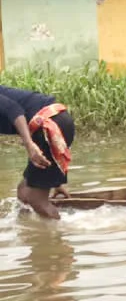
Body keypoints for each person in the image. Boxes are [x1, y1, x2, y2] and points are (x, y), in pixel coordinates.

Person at [0, 86, 74, 220]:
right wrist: (54, 180)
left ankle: (60, 236)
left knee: (36, 200)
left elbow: (14, 110)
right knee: (23, 193)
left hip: (49, 126)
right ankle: (32, 234)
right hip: (54, 124)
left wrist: (29, 144)